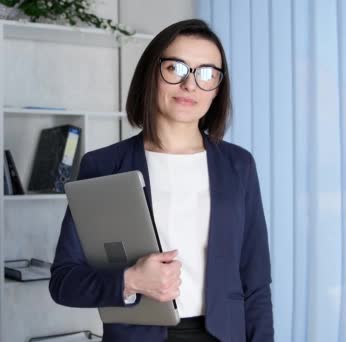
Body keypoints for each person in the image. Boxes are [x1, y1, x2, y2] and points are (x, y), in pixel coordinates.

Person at [49, 19, 273, 342]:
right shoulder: (103, 166)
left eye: (207, 73)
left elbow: (256, 285)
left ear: (218, 89)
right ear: (152, 74)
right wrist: (130, 280)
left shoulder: (239, 166)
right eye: (176, 68)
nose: (190, 85)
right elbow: (64, 282)